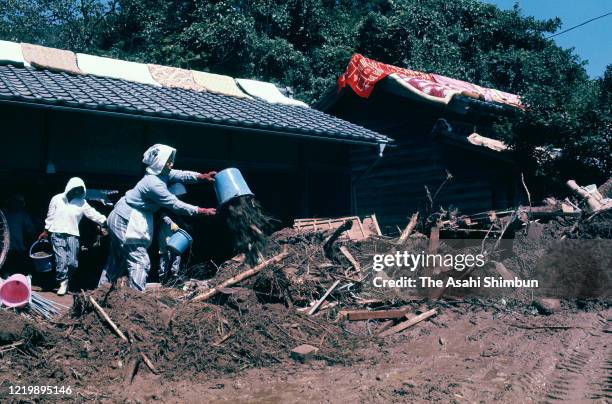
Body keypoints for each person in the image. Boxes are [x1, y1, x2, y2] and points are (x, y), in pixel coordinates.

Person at [98, 144, 216, 291]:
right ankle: (136, 301)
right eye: (168, 161)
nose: (171, 164)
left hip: (124, 215)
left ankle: (99, 293)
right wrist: (200, 210)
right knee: (140, 260)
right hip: (124, 218)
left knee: (117, 260)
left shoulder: (161, 175)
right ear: (159, 162)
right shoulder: (153, 184)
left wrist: (201, 177)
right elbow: (175, 204)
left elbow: (180, 174)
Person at [39, 178, 107, 295]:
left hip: (73, 234)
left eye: (79, 190)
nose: (76, 192)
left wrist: (105, 221)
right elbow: (50, 216)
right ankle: (62, 281)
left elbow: (93, 214)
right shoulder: (57, 199)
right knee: (62, 259)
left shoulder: (82, 203)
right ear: (69, 188)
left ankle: (66, 279)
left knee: (73, 263)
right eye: (75, 189)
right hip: (57, 233)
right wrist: (46, 231)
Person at [157, 183, 189, 283]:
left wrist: (185, 225)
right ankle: (162, 276)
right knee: (165, 253)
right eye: (179, 196)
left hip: (175, 232)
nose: (181, 197)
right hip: (165, 231)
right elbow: (163, 214)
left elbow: (179, 217)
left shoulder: (177, 205)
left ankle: (174, 275)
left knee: (176, 251)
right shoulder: (166, 203)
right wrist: (171, 223)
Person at [3, 194, 36, 276]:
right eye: (13, 202)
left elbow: (30, 229)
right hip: (5, 247)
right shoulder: (4, 214)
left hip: (19, 247)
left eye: (17, 202)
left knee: (19, 265)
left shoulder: (23, 215)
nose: (15, 204)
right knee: (7, 265)